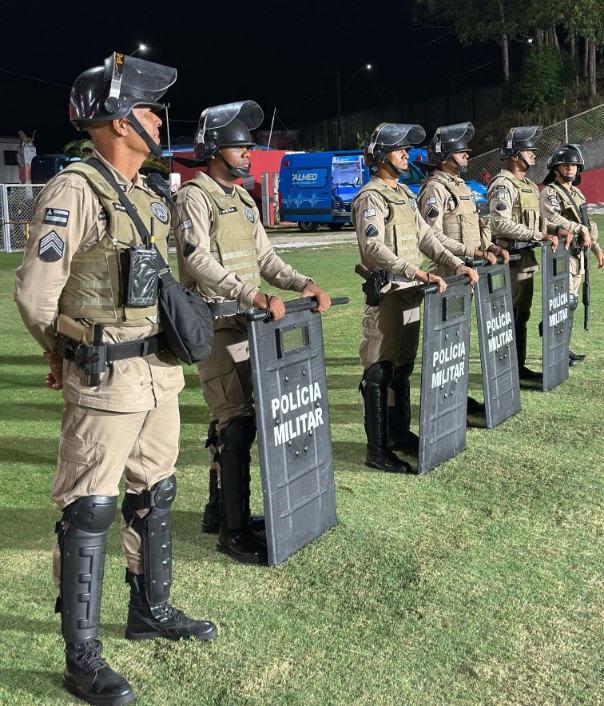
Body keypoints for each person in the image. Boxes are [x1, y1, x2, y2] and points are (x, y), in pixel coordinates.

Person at [13, 52, 216, 706]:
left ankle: (149, 610)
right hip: (104, 378)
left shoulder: (148, 192)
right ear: (121, 121)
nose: (160, 120)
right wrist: (60, 352)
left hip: (157, 372)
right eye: (151, 110)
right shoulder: (74, 190)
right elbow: (36, 296)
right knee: (90, 507)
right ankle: (81, 657)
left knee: (155, 490)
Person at [171, 100, 331, 565]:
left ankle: (219, 511)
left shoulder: (242, 200)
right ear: (214, 150)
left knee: (235, 420)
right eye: (240, 147)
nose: (248, 154)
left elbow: (265, 258)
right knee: (237, 423)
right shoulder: (193, 197)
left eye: (248, 147)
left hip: (250, 323)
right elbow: (197, 260)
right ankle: (233, 533)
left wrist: (302, 282)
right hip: (215, 322)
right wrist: (250, 294)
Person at [352, 122, 478, 473]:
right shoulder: (371, 197)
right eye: (399, 150)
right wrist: (417, 272)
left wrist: (456, 263)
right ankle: (376, 450)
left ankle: (398, 436)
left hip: (410, 293)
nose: (407, 155)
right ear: (381, 157)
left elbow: (427, 239)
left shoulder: (406, 194)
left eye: (407, 150)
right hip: (389, 294)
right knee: (378, 371)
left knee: (402, 367)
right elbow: (373, 248)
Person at [417, 122, 508, 412]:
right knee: (446, 341)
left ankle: (458, 398)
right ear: (446, 157)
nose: (467, 155)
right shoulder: (434, 189)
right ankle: (447, 403)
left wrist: (489, 247)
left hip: (467, 272)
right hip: (448, 273)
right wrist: (472, 252)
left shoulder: (461, 186)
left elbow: (476, 227)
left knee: (459, 339)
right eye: (461, 151)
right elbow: (431, 236)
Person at [487, 126, 573, 380]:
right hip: (510, 259)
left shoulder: (527, 185)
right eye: (528, 150)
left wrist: (556, 229)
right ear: (514, 155)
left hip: (526, 259)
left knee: (521, 315)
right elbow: (500, 223)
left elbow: (538, 222)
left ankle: (518, 369)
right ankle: (506, 372)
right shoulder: (503, 184)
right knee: (509, 316)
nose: (534, 154)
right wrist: (539, 236)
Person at [539, 143, 604, 365]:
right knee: (561, 302)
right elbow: (551, 218)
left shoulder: (576, 193)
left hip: (578, 257)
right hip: (561, 255)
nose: (570, 169)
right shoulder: (550, 192)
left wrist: (596, 248)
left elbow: (586, 223)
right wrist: (579, 229)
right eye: (565, 165)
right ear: (555, 168)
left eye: (574, 165)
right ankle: (555, 350)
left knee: (571, 302)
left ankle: (564, 348)